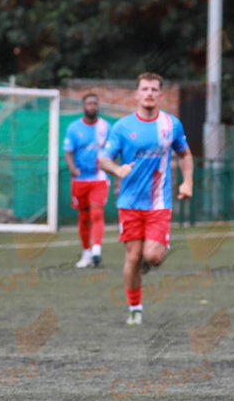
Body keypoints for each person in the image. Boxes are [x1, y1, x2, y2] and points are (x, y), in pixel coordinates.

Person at [98, 73, 193, 326]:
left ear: (160, 95)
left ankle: (153, 254)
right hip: (129, 203)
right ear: (137, 94)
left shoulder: (172, 125)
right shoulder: (122, 127)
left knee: (152, 256)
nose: (149, 93)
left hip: (158, 203)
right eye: (144, 89)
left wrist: (187, 181)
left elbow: (185, 155)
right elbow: (104, 159)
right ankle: (135, 307)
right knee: (132, 258)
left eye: (154, 89)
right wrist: (117, 170)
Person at [64, 94, 110, 268]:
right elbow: (68, 152)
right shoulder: (74, 128)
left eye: (95, 104)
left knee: (96, 213)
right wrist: (72, 168)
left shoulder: (106, 127)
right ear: (83, 106)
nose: (92, 106)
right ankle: (86, 254)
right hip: (80, 180)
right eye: (89, 103)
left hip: (99, 178)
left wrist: (117, 175)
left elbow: (114, 152)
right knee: (83, 218)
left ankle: (96, 251)